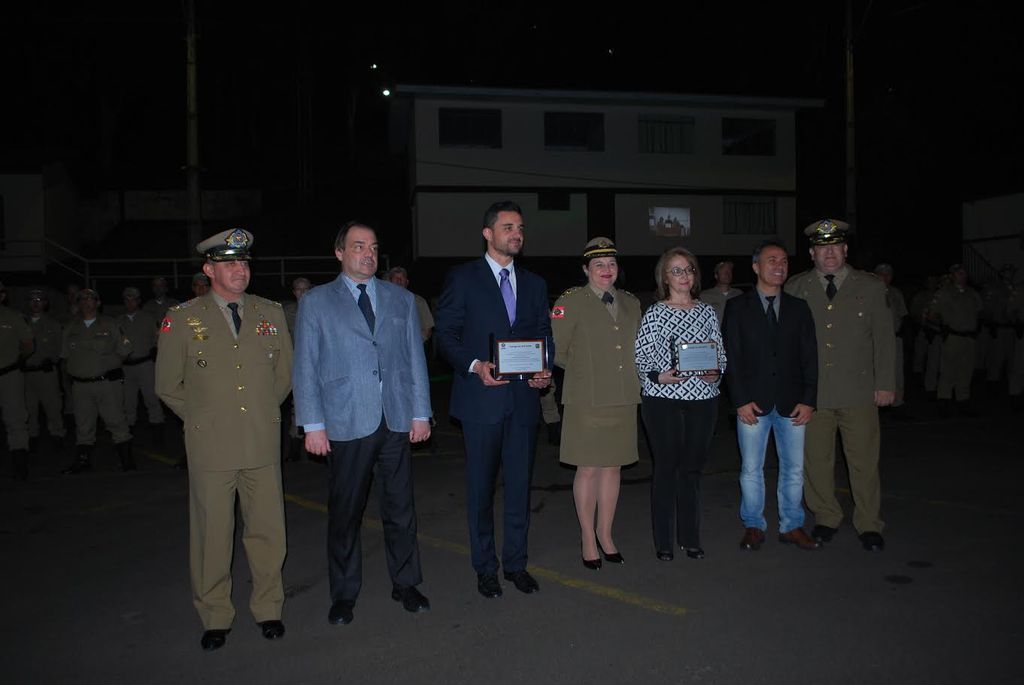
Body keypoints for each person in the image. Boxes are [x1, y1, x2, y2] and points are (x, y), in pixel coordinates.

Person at [155, 228, 292, 651]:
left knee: (268, 533)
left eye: (245, 262)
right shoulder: (181, 318)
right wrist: (204, 419)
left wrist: (262, 414)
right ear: (209, 269)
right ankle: (215, 614)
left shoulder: (271, 314)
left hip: (261, 443)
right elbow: (167, 385)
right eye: (231, 263)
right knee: (213, 535)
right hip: (210, 446)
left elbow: (283, 378)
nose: (241, 270)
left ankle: (268, 608)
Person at [293, 222, 432, 626]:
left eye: (373, 247)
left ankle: (406, 583)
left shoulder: (400, 299)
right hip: (345, 418)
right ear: (339, 253)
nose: (368, 254)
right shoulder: (316, 302)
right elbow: (305, 366)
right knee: (345, 512)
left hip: (394, 417)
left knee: (401, 508)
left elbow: (413, 359)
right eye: (358, 247)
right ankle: (344, 594)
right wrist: (312, 424)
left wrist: (420, 412)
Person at [434, 200, 552, 598]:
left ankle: (516, 564)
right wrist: (474, 365)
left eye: (520, 227)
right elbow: (444, 335)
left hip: (522, 404)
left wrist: (543, 369)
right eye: (507, 227)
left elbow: (542, 335)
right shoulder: (463, 278)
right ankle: (485, 568)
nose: (516, 234)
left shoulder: (535, 284)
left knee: (520, 489)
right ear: (488, 233)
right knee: (481, 491)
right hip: (481, 402)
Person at [785, 219, 894, 551]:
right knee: (816, 461)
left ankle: (869, 523)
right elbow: (788, 343)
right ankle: (826, 517)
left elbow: (885, 340)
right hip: (813, 394)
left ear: (845, 250)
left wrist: (886, 383)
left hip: (859, 390)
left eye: (835, 247)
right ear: (811, 253)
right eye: (822, 248)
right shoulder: (797, 287)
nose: (829, 254)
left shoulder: (872, 287)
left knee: (863, 460)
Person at [551, 237, 641, 570]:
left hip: (623, 396)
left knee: (613, 468)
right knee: (588, 469)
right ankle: (587, 537)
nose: (606, 270)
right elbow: (556, 352)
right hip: (587, 398)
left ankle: (606, 534)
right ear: (586, 269)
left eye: (612, 264)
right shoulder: (571, 301)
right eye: (599, 265)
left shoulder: (632, 303)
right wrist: (589, 369)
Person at [723, 241, 819, 551]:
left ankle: (792, 525)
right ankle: (754, 525)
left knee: (793, 468)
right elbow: (732, 357)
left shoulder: (799, 308)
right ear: (755, 267)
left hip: (793, 404)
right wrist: (739, 400)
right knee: (751, 468)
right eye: (771, 259)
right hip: (753, 404)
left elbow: (810, 357)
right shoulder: (738, 307)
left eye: (783, 261)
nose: (779, 265)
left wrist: (809, 399)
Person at [635, 247, 725, 561]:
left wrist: (715, 373)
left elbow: (720, 355)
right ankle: (663, 542)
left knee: (692, 470)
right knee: (666, 470)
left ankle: (690, 538)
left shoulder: (708, 311)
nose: (683, 275)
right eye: (676, 270)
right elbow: (641, 358)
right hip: (663, 401)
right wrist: (660, 376)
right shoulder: (656, 313)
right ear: (664, 277)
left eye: (688, 269)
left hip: (703, 400)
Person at [60, 288, 135, 474]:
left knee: (117, 421)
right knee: (83, 425)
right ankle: (83, 461)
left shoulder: (110, 324)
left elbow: (125, 349)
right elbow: (64, 356)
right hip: (80, 385)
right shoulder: (70, 327)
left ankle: (126, 461)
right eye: (82, 299)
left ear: (98, 302)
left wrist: (112, 366)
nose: (86, 302)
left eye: (91, 298)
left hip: (106, 384)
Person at [929, 264, 983, 416]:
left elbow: (979, 312)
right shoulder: (944, 293)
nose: (962, 275)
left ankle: (963, 401)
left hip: (969, 337)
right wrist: (943, 326)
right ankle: (944, 402)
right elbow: (932, 315)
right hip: (953, 336)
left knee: (966, 371)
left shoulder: (972, 293)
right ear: (952, 276)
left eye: (964, 273)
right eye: (958, 273)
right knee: (948, 371)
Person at [118, 287, 165, 442]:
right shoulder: (118, 321)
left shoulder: (148, 318)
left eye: (133, 299)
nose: (130, 302)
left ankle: (157, 425)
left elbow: (158, 338)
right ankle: (129, 426)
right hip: (126, 366)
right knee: (128, 399)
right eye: (127, 299)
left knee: (151, 397)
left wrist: (156, 352)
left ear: (138, 301)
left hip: (145, 364)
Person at [23, 289, 66, 455]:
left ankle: (57, 436)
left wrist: (53, 360)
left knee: (53, 407)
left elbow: (60, 348)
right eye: (32, 299)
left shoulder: (53, 324)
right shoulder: (21, 322)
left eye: (39, 299)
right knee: (28, 409)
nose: (35, 303)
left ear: (45, 303)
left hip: (46, 372)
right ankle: (31, 438)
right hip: (25, 373)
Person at [1, 281, 33, 480]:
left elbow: (28, 345)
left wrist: (16, 361)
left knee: (15, 420)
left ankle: (20, 463)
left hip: (8, 374)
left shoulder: (13, 317)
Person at [873, 264, 909, 411]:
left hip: (894, 337)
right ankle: (875, 404)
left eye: (888, 274)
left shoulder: (896, 293)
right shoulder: (870, 292)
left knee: (897, 372)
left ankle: (897, 403)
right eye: (882, 274)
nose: (886, 277)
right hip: (874, 340)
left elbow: (903, 314)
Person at [385, 267, 435, 342]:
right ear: (390, 282)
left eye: (402, 278)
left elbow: (427, 330)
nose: (399, 281)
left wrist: (413, 344)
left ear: (407, 282)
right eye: (396, 278)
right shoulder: (382, 302)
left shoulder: (418, 301)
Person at [700, 260, 743, 325]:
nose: (727, 273)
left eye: (729, 270)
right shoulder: (704, 296)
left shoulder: (739, 294)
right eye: (723, 271)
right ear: (716, 275)